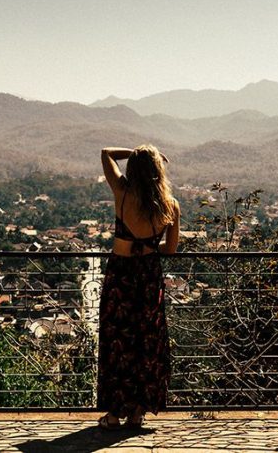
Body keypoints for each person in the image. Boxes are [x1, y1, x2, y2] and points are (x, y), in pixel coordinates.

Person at [96, 144, 180, 430]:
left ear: (133, 168)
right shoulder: (170, 205)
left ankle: (113, 414)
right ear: (159, 171)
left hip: (121, 274)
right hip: (148, 276)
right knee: (147, 342)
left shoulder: (122, 194)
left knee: (118, 342)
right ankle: (138, 411)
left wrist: (134, 152)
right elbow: (170, 250)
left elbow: (106, 152)